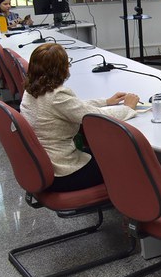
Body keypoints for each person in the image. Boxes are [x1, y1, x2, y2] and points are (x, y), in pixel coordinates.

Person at [20, 43, 140, 192]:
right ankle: (132, 201)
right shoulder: (57, 96)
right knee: (126, 159)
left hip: (43, 166)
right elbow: (96, 117)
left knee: (102, 152)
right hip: (63, 172)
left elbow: (75, 107)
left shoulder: (32, 90)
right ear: (62, 69)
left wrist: (106, 101)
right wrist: (127, 108)